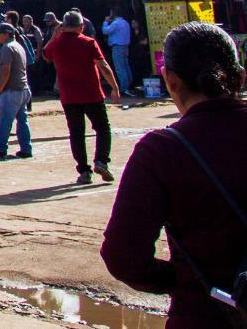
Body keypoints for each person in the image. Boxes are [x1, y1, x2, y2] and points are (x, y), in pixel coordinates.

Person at [101, 22, 247, 326]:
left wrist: (184, 278)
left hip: (205, 314)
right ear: (240, 75)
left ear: (170, 80)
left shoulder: (161, 151)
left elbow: (123, 257)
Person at [42, 9, 121, 184]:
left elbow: (45, 55)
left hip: (69, 96)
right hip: (92, 94)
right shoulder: (88, 42)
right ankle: (101, 161)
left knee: (76, 133)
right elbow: (103, 65)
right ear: (81, 26)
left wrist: (54, 36)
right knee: (102, 128)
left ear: (63, 26)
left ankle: (84, 171)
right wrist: (114, 87)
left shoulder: (57, 43)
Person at [0, 23, 33, 161]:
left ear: (6, 34)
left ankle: (1, 147)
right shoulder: (18, 46)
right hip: (23, 89)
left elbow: (6, 70)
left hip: (12, 90)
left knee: (4, 120)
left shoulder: (7, 48)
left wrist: (0, 88)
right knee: (22, 121)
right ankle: (26, 148)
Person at [102, 8, 135, 96]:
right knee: (126, 66)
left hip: (117, 46)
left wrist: (105, 22)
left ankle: (124, 88)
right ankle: (130, 84)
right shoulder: (125, 22)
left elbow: (105, 31)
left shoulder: (116, 23)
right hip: (125, 46)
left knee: (120, 68)